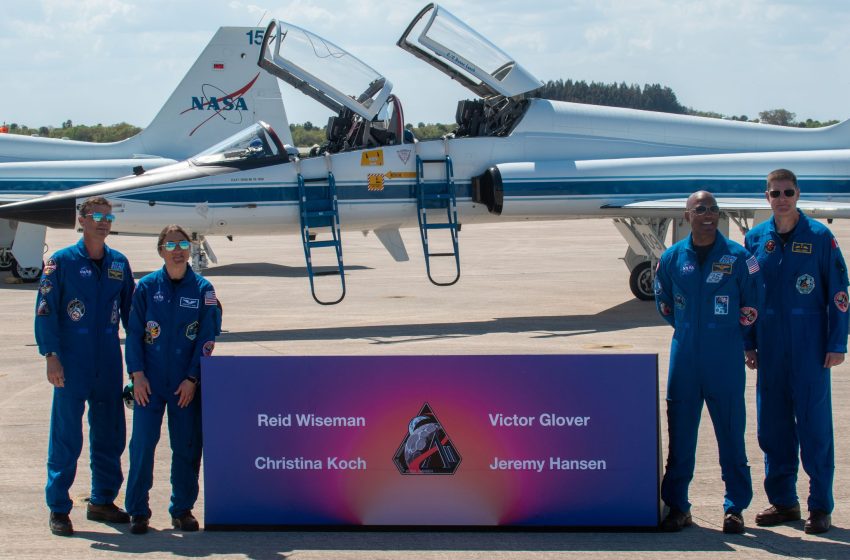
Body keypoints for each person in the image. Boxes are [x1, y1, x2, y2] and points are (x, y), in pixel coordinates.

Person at [744, 169, 849, 534]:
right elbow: (748, 296)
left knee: (814, 427)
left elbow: (839, 294)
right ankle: (784, 501)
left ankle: (820, 506)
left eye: (788, 192)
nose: (782, 198)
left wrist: (837, 343)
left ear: (798, 194)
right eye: (775, 193)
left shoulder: (820, 237)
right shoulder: (755, 240)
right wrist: (748, 342)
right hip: (770, 344)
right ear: (766, 197)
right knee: (772, 427)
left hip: (810, 345)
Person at [654, 190, 763, 533]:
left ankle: (735, 508)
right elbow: (666, 305)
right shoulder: (671, 258)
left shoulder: (740, 257)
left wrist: (730, 336)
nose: (708, 214)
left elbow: (752, 303)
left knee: (731, 435)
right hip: (685, 359)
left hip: (725, 360)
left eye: (713, 209)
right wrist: (691, 330)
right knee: (681, 437)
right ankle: (678, 506)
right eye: (700, 209)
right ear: (687, 215)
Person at [34, 196, 135, 536]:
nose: (104, 221)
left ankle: (102, 501)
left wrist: (138, 364)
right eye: (96, 216)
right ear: (82, 219)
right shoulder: (60, 263)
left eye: (108, 216)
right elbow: (45, 310)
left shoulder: (119, 263)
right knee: (66, 436)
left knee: (110, 432)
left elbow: (132, 316)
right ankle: (59, 508)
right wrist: (51, 355)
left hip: (107, 356)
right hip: (70, 358)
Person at [124, 225, 218, 534]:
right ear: (161, 249)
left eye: (182, 243)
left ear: (190, 249)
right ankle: (137, 510)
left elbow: (206, 338)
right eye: (170, 244)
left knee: (187, 448)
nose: (177, 249)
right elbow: (134, 334)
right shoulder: (148, 287)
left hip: (184, 385)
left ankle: (182, 509)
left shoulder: (204, 290)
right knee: (141, 447)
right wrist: (137, 375)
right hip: (148, 385)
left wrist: (193, 378)